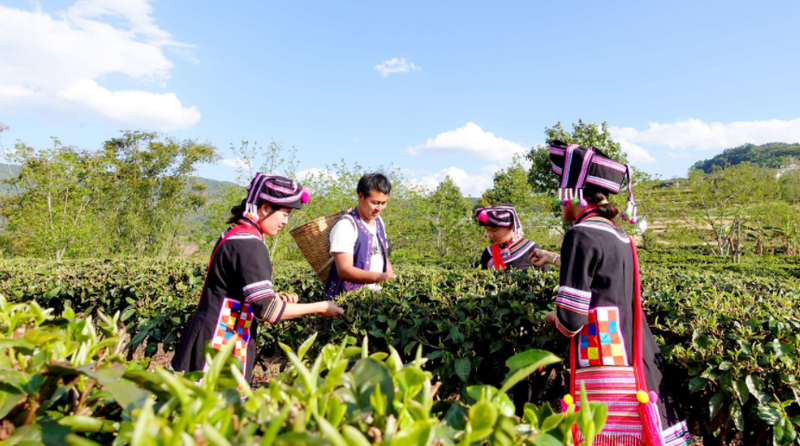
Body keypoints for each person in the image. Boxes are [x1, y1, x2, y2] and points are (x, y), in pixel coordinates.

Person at [530, 141, 690, 446]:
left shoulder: (579, 234)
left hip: (603, 355)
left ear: (575, 195)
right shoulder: (620, 236)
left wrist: (552, 318)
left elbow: (572, 319)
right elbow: (603, 270)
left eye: (561, 194)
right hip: (632, 348)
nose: (559, 202)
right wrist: (552, 257)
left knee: (604, 436)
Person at [172, 173, 344, 384]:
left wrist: (273, 298)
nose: (285, 221)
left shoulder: (235, 233)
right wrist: (321, 306)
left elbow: (237, 291)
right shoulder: (250, 244)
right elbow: (268, 310)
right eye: (285, 213)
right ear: (264, 208)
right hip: (220, 344)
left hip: (207, 336)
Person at [324, 173, 396, 300]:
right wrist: (379, 277)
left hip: (375, 298)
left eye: (384, 203)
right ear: (361, 196)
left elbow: (381, 254)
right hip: (349, 301)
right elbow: (344, 270)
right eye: (375, 202)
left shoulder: (379, 222)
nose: (379, 208)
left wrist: (389, 275)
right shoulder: (346, 225)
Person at [474, 204, 550, 272]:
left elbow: (545, 279)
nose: (490, 235)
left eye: (494, 230)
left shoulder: (531, 249)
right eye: (488, 230)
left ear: (510, 227)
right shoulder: (488, 253)